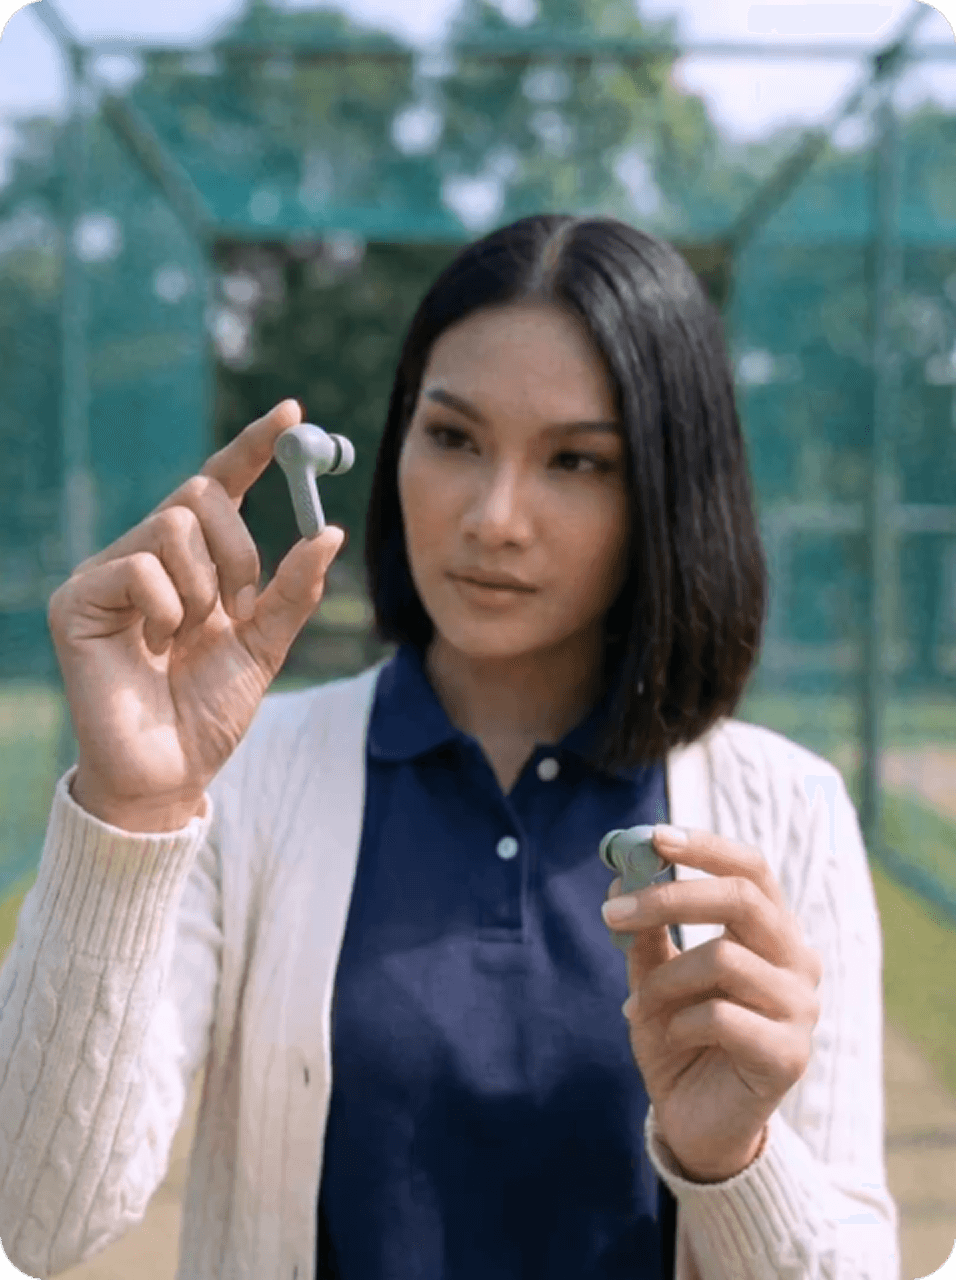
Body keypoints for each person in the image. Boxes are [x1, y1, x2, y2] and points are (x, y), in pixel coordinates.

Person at [0, 214, 898, 1280]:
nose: (491, 515)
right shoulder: (243, 777)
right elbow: (35, 1221)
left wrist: (732, 1157)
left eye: (575, 459)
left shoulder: (786, 808)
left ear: (664, 489)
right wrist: (127, 813)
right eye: (453, 436)